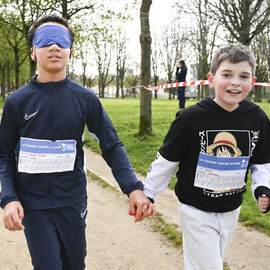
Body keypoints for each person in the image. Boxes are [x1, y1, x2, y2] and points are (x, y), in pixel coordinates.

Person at [0, 14, 155, 270]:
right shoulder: (17, 102)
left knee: (74, 265)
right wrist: (9, 198)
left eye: (61, 41)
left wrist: (133, 188)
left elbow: (111, 145)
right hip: (33, 204)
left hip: (71, 201)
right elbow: (3, 154)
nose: (54, 47)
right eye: (45, 41)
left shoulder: (85, 99)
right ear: (32, 52)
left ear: (70, 52)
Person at [143, 44, 270, 270]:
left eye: (243, 76)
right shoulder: (191, 118)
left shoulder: (257, 118)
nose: (235, 82)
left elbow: (262, 161)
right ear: (211, 79)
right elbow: (167, 161)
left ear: (252, 81)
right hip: (196, 210)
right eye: (227, 74)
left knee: (209, 262)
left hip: (232, 208)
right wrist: (149, 194)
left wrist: (262, 188)